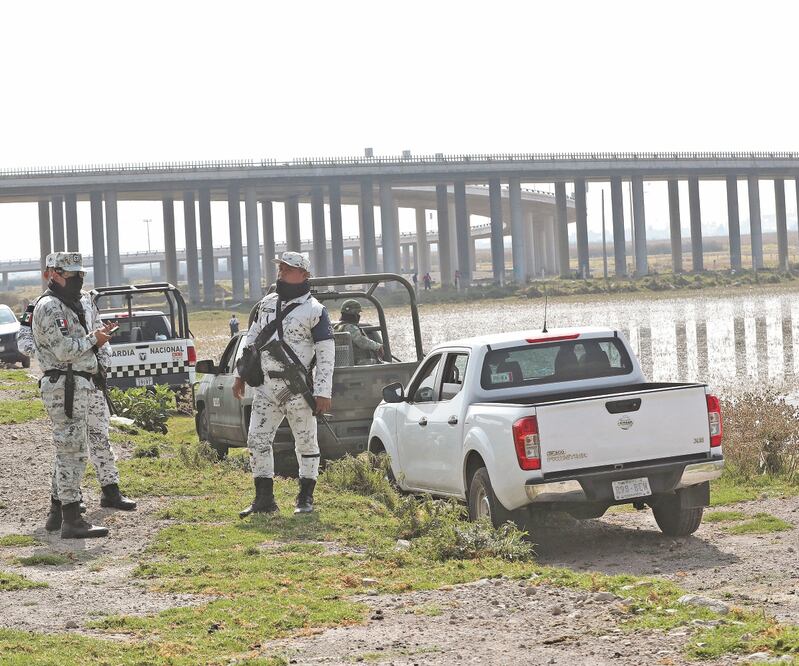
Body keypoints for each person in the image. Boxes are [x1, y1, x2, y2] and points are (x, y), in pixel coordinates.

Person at [233, 251, 335, 517]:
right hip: (265, 387)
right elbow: (251, 340)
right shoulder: (266, 303)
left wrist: (323, 392)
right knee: (256, 440)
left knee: (305, 442)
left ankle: (305, 498)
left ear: (303, 274)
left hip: (297, 389)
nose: (281, 273)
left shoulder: (316, 311)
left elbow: (326, 355)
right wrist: (239, 374)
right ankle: (263, 500)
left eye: (287, 269)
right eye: (280, 268)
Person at [31, 252, 120, 539]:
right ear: (52, 274)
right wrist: (95, 338)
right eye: (71, 276)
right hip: (64, 388)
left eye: (80, 275)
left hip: (76, 385)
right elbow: (64, 350)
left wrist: (96, 339)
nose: (77, 281)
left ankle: (57, 514)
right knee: (73, 452)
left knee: (67, 449)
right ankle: (72, 519)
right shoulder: (50, 307)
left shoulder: (68, 304)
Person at [333, 300, 384, 365]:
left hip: (345, 363)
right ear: (353, 313)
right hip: (358, 363)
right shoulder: (350, 328)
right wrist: (377, 346)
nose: (358, 315)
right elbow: (362, 342)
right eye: (357, 313)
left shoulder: (337, 327)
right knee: (384, 364)